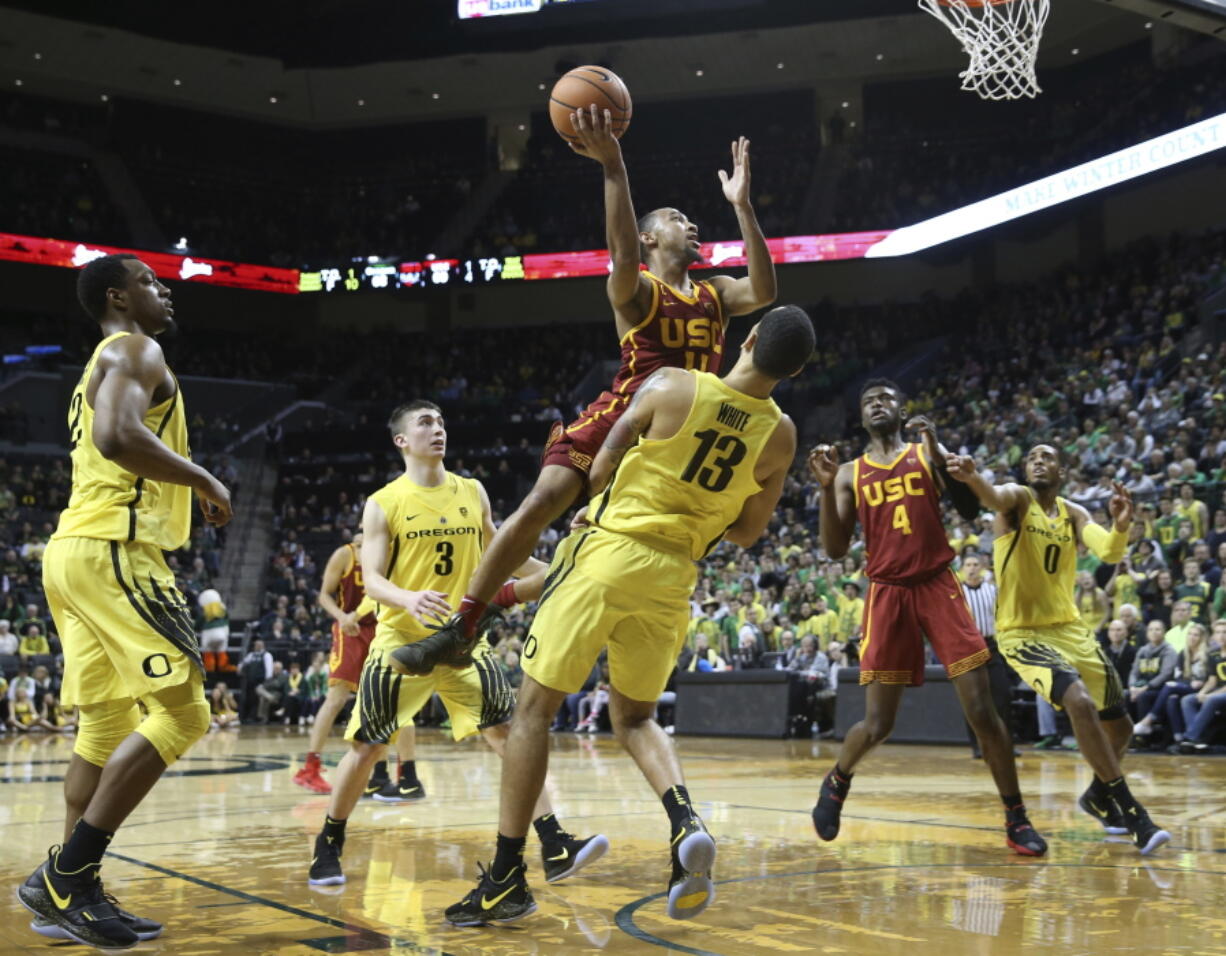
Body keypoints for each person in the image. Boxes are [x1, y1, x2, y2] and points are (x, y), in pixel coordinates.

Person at [442, 306, 811, 927]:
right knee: (635, 717)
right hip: (673, 579)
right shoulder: (782, 435)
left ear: (747, 339)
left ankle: (507, 876)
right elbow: (749, 531)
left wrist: (591, 504)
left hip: (610, 554)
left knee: (533, 712)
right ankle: (684, 821)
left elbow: (600, 465)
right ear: (794, 371)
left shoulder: (672, 384)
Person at [405, 106, 777, 673]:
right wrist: (614, 168)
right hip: (624, 414)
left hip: (675, 441)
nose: (692, 224)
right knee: (542, 500)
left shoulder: (716, 294)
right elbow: (622, 252)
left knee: (595, 554)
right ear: (652, 236)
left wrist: (744, 206)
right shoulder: (637, 289)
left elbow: (766, 290)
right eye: (679, 217)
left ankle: (505, 603)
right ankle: (464, 623)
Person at [18, 253, 232, 948]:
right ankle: (65, 875)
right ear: (117, 296)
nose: (163, 290)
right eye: (148, 281)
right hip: (116, 550)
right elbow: (116, 436)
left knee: (103, 729)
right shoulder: (137, 347)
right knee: (187, 711)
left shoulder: (101, 362)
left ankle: (67, 899)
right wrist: (205, 479)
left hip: (74, 552)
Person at [306, 400, 601, 889]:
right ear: (402, 440)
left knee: (509, 735)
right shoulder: (384, 502)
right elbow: (373, 580)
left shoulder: (472, 490)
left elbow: (501, 550)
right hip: (400, 642)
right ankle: (328, 845)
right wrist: (408, 597)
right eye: (425, 423)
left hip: (463, 641)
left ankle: (554, 842)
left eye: (441, 421)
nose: (437, 428)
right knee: (367, 749)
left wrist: (560, 572)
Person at [808, 380, 1046, 857]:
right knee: (878, 724)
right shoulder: (847, 473)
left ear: (902, 410)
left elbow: (964, 507)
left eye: (886, 398)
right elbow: (834, 549)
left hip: (937, 582)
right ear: (861, 418)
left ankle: (1015, 817)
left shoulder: (927, 453)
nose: (877, 402)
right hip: (887, 593)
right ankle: (837, 780)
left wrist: (944, 461)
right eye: (868, 399)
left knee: (981, 710)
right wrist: (822, 490)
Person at [946, 444, 1170, 854]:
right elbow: (993, 496)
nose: (1038, 461)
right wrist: (972, 477)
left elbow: (1109, 551)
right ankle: (1129, 807)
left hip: (1070, 629)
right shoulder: (1017, 499)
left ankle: (1098, 797)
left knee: (1121, 727)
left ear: (1062, 471)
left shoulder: (1073, 512)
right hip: (1023, 632)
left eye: (1047, 457)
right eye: (1031, 456)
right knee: (1078, 701)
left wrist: (1121, 524)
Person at [293, 531, 423, 801]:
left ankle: (387, 776)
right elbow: (324, 595)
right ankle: (310, 768)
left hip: (381, 628)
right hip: (350, 630)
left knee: (386, 701)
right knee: (336, 699)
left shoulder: (390, 555)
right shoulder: (345, 554)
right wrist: (342, 617)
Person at [960, 552, 1017, 759]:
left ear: (981, 567)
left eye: (975, 564)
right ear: (963, 568)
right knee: (974, 699)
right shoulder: (958, 593)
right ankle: (978, 746)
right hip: (968, 649)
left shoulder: (992, 590)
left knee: (1003, 696)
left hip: (992, 646)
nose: (972, 568)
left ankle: (1006, 744)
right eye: (968, 564)